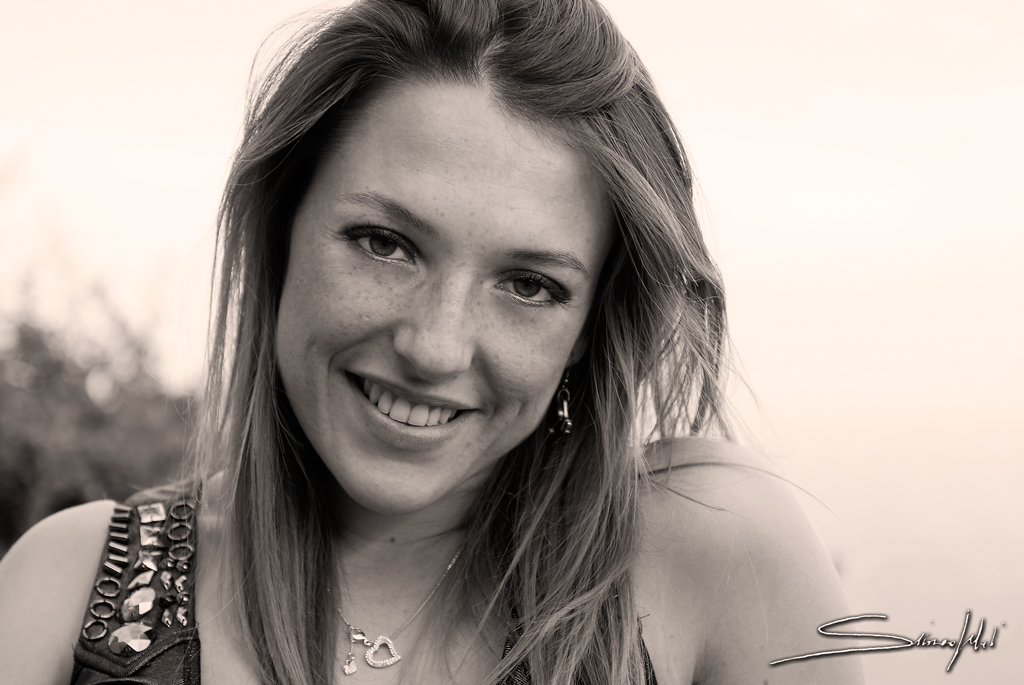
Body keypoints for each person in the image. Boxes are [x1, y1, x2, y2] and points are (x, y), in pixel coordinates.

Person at [0, 0, 863, 683]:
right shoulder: (68, 589)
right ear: (280, 232)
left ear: (588, 328)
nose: (436, 347)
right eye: (385, 243)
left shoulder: (712, 556)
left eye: (529, 285)